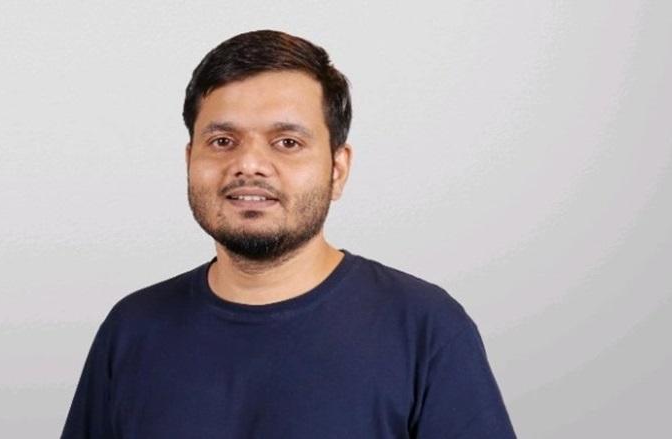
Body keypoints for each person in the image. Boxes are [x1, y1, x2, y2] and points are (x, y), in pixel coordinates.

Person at [61, 30, 516, 438]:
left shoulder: (424, 328)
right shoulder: (133, 328)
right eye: (222, 142)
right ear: (189, 160)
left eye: (287, 143)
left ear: (337, 169)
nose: (248, 164)